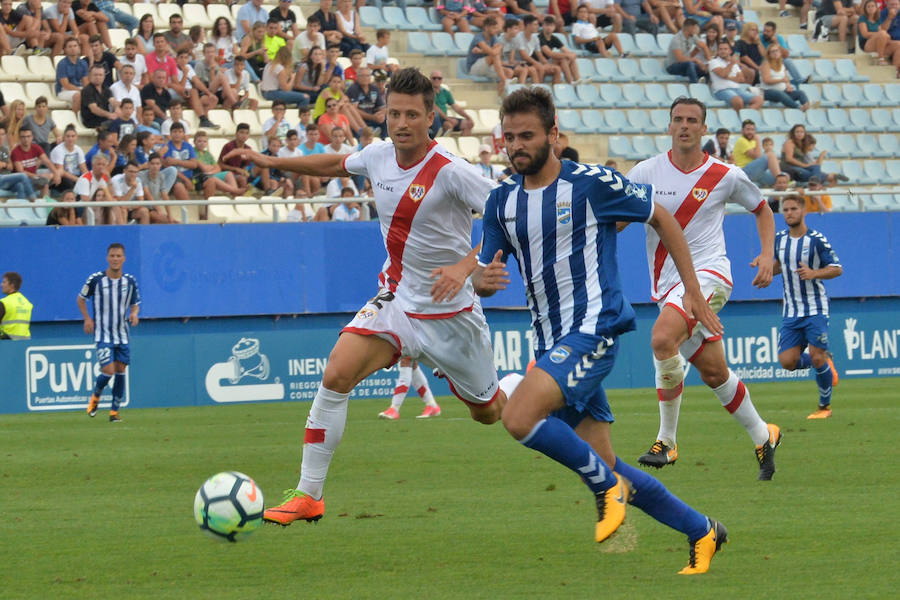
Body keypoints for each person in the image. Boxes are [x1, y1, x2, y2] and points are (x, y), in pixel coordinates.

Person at [227, 68, 520, 526]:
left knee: (491, 413)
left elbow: (512, 214)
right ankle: (309, 495)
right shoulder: (379, 156)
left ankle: (516, 385)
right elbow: (335, 163)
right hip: (399, 302)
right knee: (337, 371)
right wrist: (271, 164)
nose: (400, 123)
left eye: (411, 115)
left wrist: (469, 268)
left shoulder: (453, 172)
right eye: (393, 113)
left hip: (453, 313)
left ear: (431, 119)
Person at [473, 86, 727, 574]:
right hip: (550, 342)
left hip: (595, 329)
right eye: (509, 137)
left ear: (553, 135)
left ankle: (604, 490)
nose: (517, 145)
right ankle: (703, 530)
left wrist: (692, 291)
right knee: (607, 463)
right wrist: (481, 280)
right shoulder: (500, 201)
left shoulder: (593, 184)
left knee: (518, 416)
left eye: (527, 135)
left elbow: (663, 218)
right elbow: (486, 270)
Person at [626, 97, 783, 481]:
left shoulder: (724, 175)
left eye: (691, 120)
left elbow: (762, 209)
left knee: (662, 338)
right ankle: (765, 435)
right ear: (669, 126)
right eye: (677, 119)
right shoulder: (646, 172)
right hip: (666, 285)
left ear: (703, 129)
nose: (684, 125)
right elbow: (619, 218)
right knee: (714, 373)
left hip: (711, 276)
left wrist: (766, 254)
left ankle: (667, 440)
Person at [772, 195, 842, 419]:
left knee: (816, 355)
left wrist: (814, 273)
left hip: (815, 308)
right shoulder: (779, 239)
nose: (789, 213)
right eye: (786, 209)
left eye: (793, 208)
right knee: (787, 362)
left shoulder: (816, 239)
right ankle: (823, 360)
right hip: (791, 311)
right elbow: (779, 265)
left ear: (803, 211)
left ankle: (824, 408)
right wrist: (765, 269)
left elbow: (836, 268)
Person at [79, 243, 140, 423]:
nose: (115, 259)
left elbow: (135, 302)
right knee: (108, 370)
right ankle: (96, 397)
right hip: (103, 334)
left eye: (118, 256)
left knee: (121, 371)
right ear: (107, 258)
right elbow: (80, 299)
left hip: (122, 334)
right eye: (112, 256)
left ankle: (114, 412)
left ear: (124, 259)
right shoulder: (96, 280)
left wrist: (134, 314)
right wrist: (87, 319)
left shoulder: (129, 281)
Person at [709, 40, 764, 114]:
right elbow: (723, 74)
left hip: (737, 89)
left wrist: (727, 77)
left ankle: (745, 117)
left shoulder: (734, 63)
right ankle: (742, 119)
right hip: (722, 90)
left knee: (759, 100)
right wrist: (731, 64)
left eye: (725, 49)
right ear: (717, 51)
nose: (723, 51)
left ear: (730, 51)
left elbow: (741, 79)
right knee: (738, 101)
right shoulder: (714, 62)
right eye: (720, 49)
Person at [759, 44, 809, 110]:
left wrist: (788, 86)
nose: (775, 53)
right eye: (772, 51)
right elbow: (766, 80)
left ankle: (806, 106)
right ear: (769, 54)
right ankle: (799, 107)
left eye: (777, 51)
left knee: (800, 93)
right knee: (779, 94)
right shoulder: (766, 64)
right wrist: (781, 80)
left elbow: (786, 79)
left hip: (783, 91)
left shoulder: (782, 65)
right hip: (767, 91)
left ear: (780, 52)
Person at [734, 119, 782, 187]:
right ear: (742, 130)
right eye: (748, 129)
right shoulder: (741, 141)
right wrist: (757, 140)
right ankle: (780, 180)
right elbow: (757, 156)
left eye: (752, 130)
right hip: (744, 172)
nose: (750, 132)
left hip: (756, 171)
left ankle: (779, 182)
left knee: (786, 175)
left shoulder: (752, 142)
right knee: (770, 155)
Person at [664, 17, 707, 83]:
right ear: (690, 28)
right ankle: (695, 86)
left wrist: (709, 60)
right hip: (673, 66)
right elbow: (680, 59)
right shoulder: (676, 39)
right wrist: (696, 60)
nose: (697, 30)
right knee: (690, 64)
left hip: (686, 64)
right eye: (695, 28)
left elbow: (703, 46)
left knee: (707, 68)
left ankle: (705, 86)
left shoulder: (693, 36)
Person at [56, 36, 89, 114]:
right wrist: (81, 91)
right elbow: (65, 84)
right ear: (65, 49)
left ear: (79, 48)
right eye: (70, 46)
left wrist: (87, 91)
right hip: (64, 91)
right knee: (78, 95)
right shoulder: (62, 64)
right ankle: (75, 118)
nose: (73, 48)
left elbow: (85, 82)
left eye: (75, 46)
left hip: (79, 88)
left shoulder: (83, 63)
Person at [50, 124, 88, 193]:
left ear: (76, 137)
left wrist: (88, 179)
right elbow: (61, 170)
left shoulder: (78, 149)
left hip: (75, 175)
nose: (70, 139)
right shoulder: (58, 150)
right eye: (68, 136)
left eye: (73, 136)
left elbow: (83, 168)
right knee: (70, 183)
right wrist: (78, 180)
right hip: (62, 177)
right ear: (64, 137)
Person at [81, 63, 116, 130]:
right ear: (90, 76)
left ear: (104, 77)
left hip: (105, 120)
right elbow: (94, 109)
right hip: (93, 122)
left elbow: (113, 102)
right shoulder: (87, 90)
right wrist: (110, 115)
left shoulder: (106, 89)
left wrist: (118, 110)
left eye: (100, 75)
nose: (98, 77)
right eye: (95, 75)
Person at [0, 272, 32, 341]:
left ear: (12, 285)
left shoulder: (4, 302)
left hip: (7, 343)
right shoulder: (27, 303)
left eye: (4, 282)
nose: (1, 285)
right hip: (25, 343)